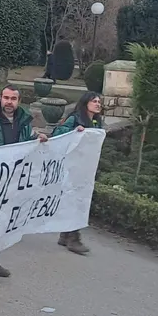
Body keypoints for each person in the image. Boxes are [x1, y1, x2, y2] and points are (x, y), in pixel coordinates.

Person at [0, 84, 48, 284]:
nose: (9, 102)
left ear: (18, 101)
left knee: (3, 220)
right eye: (6, 97)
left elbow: (27, 139)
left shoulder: (23, 121)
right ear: (1, 98)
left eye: (13, 98)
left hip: (12, 178)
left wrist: (38, 138)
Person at [51, 91, 102, 255]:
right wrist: (74, 132)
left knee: (77, 199)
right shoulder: (75, 118)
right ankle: (73, 238)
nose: (98, 104)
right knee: (76, 199)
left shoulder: (96, 122)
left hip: (85, 166)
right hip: (72, 166)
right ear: (86, 103)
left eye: (99, 102)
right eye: (94, 101)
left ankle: (65, 235)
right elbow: (57, 134)